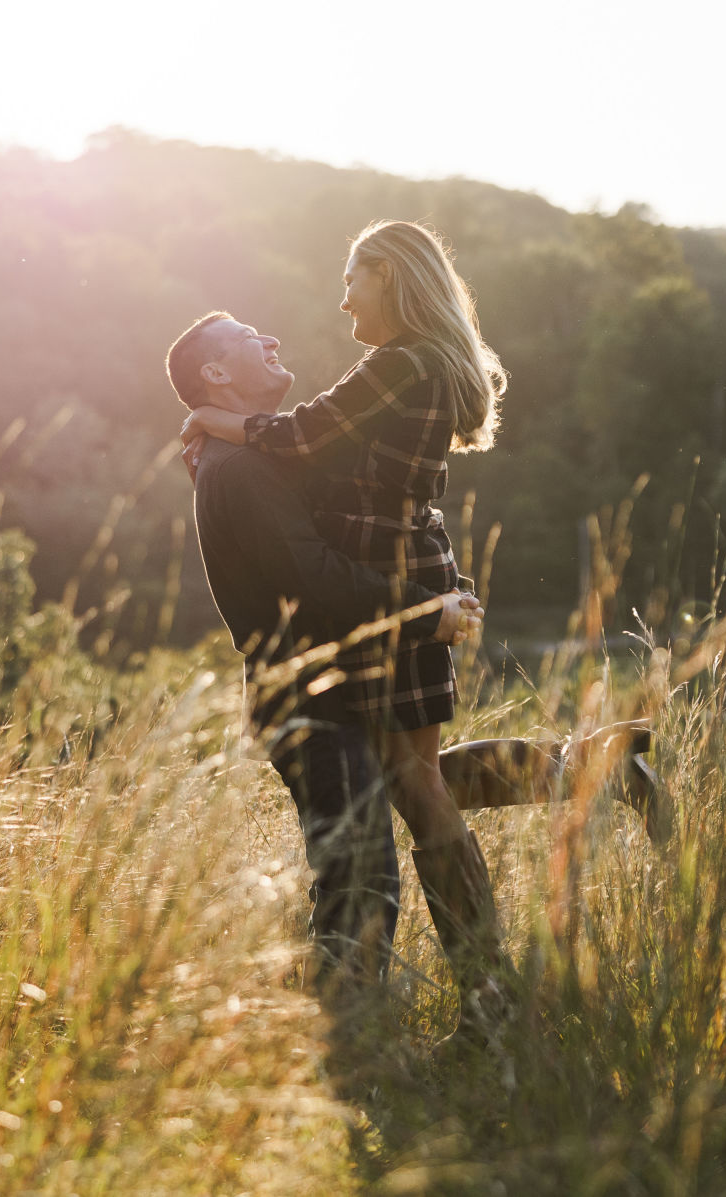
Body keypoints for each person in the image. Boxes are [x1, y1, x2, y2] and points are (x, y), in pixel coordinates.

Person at [177, 221, 516, 1032]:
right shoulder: (414, 364)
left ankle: (485, 990)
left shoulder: (402, 365)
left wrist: (213, 423)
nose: (340, 298)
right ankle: (579, 775)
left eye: (352, 278)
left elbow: (302, 434)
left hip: (388, 586)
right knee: (411, 777)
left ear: (391, 278)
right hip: (394, 586)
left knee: (414, 783)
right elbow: (311, 456)